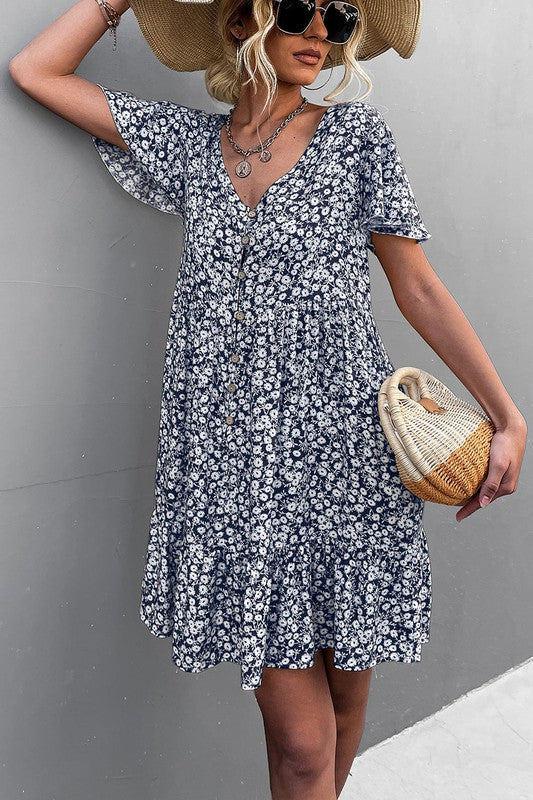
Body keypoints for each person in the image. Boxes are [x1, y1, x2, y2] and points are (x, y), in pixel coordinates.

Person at [8, 0, 527, 798]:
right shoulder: (187, 146)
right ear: (241, 22)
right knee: (300, 746)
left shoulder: (357, 139)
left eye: (341, 18)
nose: (320, 31)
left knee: (347, 699)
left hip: (348, 465)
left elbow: (416, 286)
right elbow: (35, 69)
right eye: (296, 10)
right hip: (236, 479)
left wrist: (507, 415)